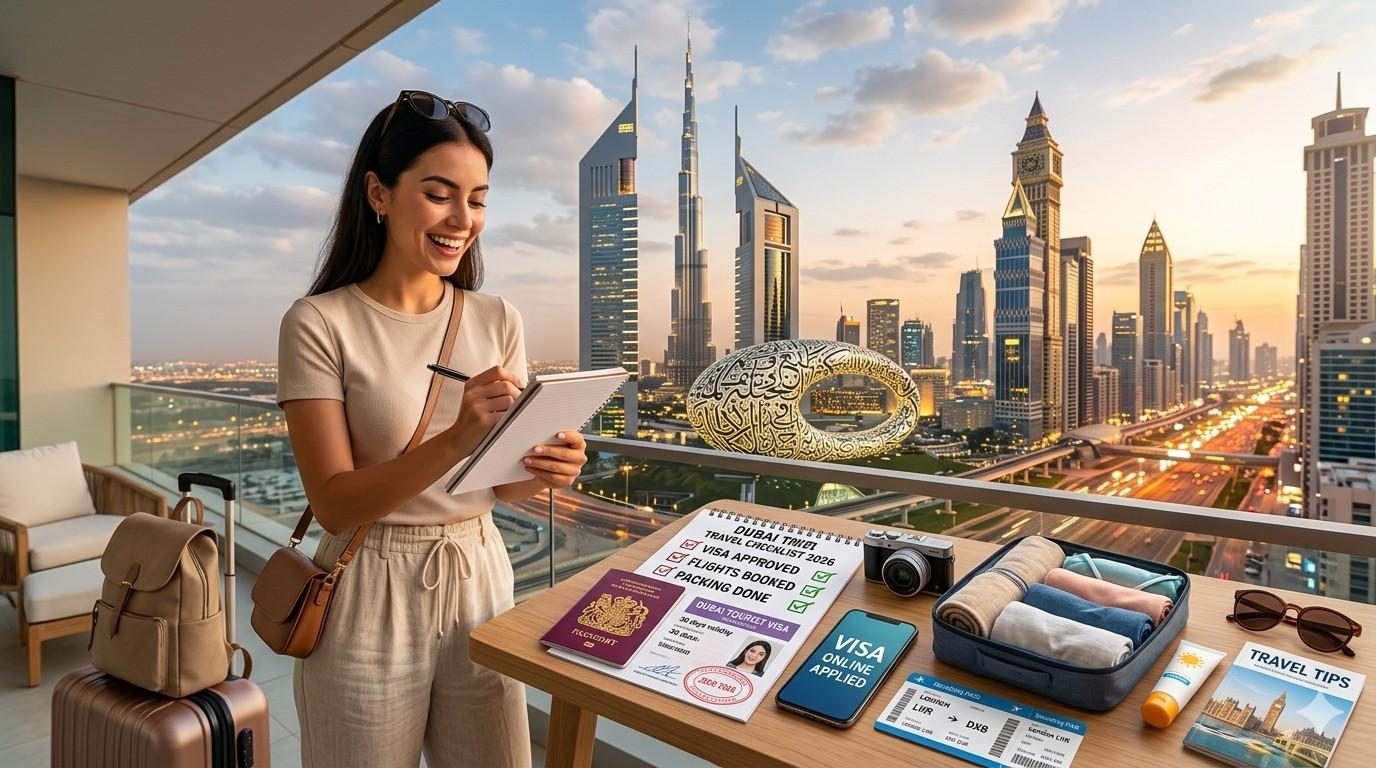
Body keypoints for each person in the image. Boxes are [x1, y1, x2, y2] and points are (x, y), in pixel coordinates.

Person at [276, 90, 587, 768]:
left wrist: (545, 470)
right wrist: (455, 437)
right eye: (440, 194)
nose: (462, 219)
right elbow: (332, 502)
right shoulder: (320, 323)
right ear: (378, 194)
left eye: (477, 199)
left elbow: (501, 492)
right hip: (367, 587)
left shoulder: (497, 318)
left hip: (479, 572)